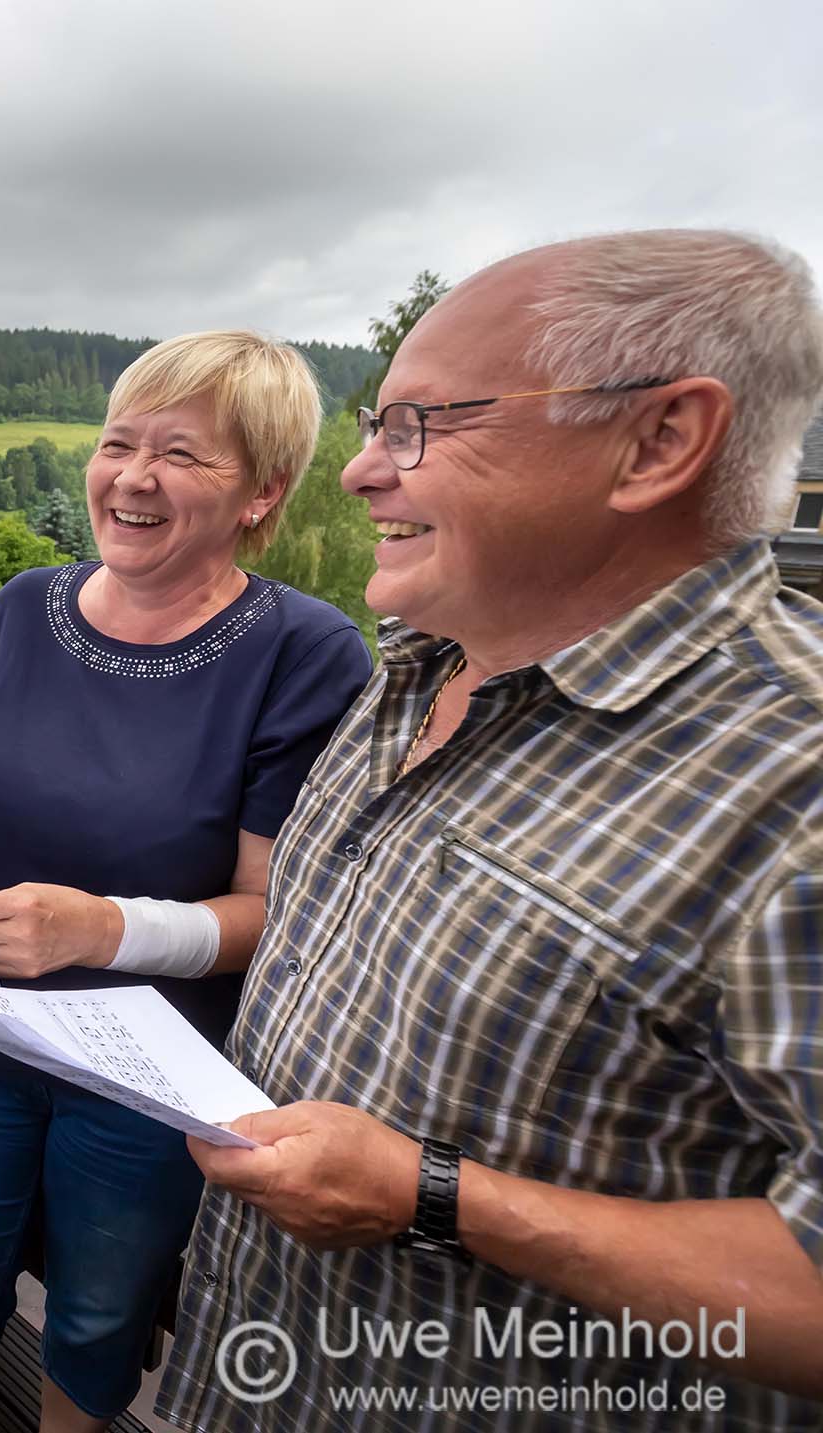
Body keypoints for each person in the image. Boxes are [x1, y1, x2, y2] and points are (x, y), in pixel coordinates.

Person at [163, 231, 823, 1430]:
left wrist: (434, 1196)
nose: (359, 472)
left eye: (419, 424)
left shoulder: (795, 781)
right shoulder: (418, 666)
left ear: (658, 440)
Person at [0, 331, 373, 1433]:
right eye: (116, 442)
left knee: (95, 1309)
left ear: (262, 491)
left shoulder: (303, 650)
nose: (130, 476)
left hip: (146, 1069)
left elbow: (269, 913)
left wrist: (96, 928)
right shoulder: (25, 604)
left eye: (179, 454)